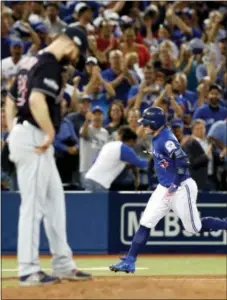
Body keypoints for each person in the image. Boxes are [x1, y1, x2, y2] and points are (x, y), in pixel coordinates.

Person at [5, 27, 91, 286]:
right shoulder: (49, 63)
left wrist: (12, 134)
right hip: (35, 137)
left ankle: (63, 263)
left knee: (55, 200)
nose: (74, 61)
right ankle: (28, 269)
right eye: (76, 55)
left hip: (28, 134)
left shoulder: (30, 62)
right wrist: (50, 132)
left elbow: (10, 101)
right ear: (71, 45)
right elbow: (35, 101)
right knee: (33, 208)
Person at [109, 106, 227, 274]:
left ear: (155, 123)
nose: (145, 126)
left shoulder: (166, 139)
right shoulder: (156, 136)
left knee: (194, 227)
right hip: (164, 188)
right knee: (145, 221)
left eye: (147, 123)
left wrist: (174, 185)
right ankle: (130, 260)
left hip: (181, 188)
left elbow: (183, 162)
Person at [84, 125, 148, 191]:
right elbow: (139, 163)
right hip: (100, 183)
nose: (133, 147)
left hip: (89, 178)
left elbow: (94, 161)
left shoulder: (108, 145)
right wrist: (154, 159)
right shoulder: (124, 148)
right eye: (134, 144)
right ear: (131, 140)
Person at [79, 106, 109, 188]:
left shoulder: (105, 132)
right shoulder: (85, 128)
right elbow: (83, 134)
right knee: (88, 197)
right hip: (87, 169)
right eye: (95, 114)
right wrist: (87, 121)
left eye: (99, 114)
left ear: (103, 117)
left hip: (100, 170)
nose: (97, 116)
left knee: (100, 196)